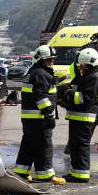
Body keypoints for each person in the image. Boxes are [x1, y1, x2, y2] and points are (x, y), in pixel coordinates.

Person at [60, 48, 98, 183]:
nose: (79, 66)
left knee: (81, 146)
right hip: (77, 117)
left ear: (87, 64)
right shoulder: (85, 76)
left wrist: (67, 93)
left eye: (81, 64)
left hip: (84, 118)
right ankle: (76, 173)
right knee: (75, 146)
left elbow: (83, 99)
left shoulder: (94, 78)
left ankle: (81, 174)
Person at [14, 45, 59, 181]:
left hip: (30, 118)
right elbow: (41, 96)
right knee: (44, 145)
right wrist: (48, 115)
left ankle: (21, 171)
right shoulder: (41, 74)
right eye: (48, 60)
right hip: (39, 118)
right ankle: (45, 175)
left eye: (52, 59)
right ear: (40, 60)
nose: (51, 62)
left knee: (28, 144)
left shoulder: (33, 72)